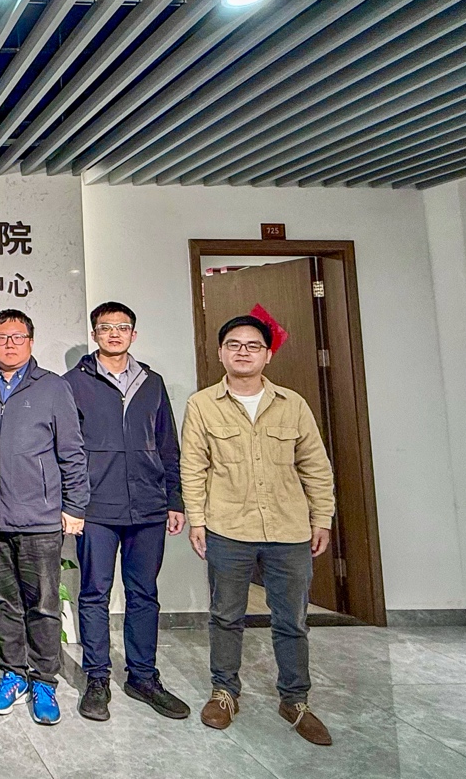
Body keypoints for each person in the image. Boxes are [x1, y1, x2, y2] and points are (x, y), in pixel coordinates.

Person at [181, 314, 336, 746]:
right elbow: (193, 467)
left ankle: (295, 699)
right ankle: (224, 692)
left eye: (253, 345)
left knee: (292, 619)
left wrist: (322, 518)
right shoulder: (202, 405)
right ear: (220, 353)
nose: (243, 352)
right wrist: (197, 520)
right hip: (228, 527)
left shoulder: (293, 404)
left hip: (289, 529)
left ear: (268, 354)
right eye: (234, 344)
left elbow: (315, 465)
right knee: (226, 616)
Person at [64, 302, 189, 723]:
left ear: (133, 335)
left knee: (144, 594)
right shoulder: (73, 383)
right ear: (94, 334)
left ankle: (143, 676)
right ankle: (97, 677)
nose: (114, 333)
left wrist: (174, 499)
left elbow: (168, 444)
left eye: (122, 327)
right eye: (106, 327)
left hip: (149, 506)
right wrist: (72, 502)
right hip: (96, 508)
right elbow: (67, 449)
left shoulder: (152, 383)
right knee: (94, 593)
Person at [0, 309, 88, 727]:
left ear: (31, 341)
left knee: (43, 605)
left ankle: (44, 681)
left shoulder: (52, 387)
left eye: (17, 337)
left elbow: (72, 451)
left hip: (40, 517)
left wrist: (75, 506)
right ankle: (13, 675)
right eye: (1, 337)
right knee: (4, 602)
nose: (9, 344)